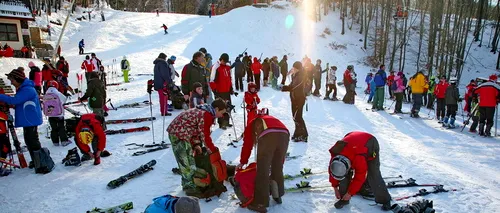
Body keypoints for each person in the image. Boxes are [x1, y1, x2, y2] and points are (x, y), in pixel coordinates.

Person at [166, 99, 226, 196]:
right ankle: (188, 187)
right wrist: (212, 150)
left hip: (184, 134)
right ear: (217, 109)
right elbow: (205, 136)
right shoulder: (206, 115)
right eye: (222, 113)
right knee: (185, 162)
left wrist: (196, 144)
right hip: (178, 134)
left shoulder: (206, 112)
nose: (222, 116)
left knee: (190, 160)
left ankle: (190, 182)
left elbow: (196, 129)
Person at [237, 111, 289, 213]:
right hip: (285, 134)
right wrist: (279, 162)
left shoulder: (252, 123)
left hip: (268, 135)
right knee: (277, 168)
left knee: (262, 170)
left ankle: (260, 203)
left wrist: (243, 161)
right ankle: (277, 195)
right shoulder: (271, 118)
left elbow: (247, 143)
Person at [328, 131, 391, 210]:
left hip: (370, 143)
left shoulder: (358, 158)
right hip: (353, 139)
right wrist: (335, 187)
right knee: (345, 174)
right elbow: (333, 173)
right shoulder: (335, 155)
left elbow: (360, 176)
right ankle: (344, 198)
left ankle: (385, 200)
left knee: (373, 174)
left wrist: (350, 193)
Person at [0, 69, 45, 170]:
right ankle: (36, 161)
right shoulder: (23, 88)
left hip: (31, 120)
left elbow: (15, 100)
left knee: (33, 141)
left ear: (17, 79)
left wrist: (2, 97)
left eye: (12, 80)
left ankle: (41, 162)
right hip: (28, 119)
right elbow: (19, 102)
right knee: (29, 140)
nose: (11, 82)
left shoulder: (27, 89)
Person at [281, 62, 308, 142]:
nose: (293, 69)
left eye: (294, 68)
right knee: (295, 117)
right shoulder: (295, 75)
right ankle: (297, 133)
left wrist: (286, 88)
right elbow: (292, 85)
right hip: (294, 98)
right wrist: (285, 87)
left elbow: (295, 86)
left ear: (298, 68)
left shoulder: (301, 76)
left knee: (298, 117)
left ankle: (304, 135)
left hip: (299, 99)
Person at [210, 53, 235, 130]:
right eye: (224, 61)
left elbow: (229, 78)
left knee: (227, 106)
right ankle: (221, 123)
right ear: (221, 59)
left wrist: (231, 88)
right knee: (220, 107)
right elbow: (212, 80)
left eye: (226, 61)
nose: (225, 62)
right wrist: (214, 91)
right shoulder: (216, 67)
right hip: (219, 91)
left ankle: (226, 122)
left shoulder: (227, 67)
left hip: (227, 91)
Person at [43, 80, 71, 147]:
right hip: (59, 114)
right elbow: (64, 99)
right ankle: (64, 141)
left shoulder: (46, 93)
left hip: (50, 114)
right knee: (61, 127)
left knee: (53, 128)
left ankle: (55, 142)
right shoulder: (57, 93)